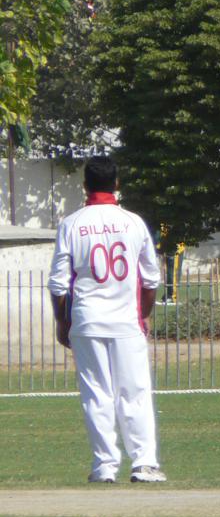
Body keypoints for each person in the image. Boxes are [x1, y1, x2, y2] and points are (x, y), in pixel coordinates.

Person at [47, 155, 167, 484]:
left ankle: (104, 467)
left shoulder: (72, 224)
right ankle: (144, 463)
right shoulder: (133, 223)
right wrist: (142, 315)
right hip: (126, 321)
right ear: (116, 184)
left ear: (85, 185)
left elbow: (58, 284)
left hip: (86, 320)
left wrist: (63, 322)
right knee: (134, 392)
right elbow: (151, 279)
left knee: (96, 394)